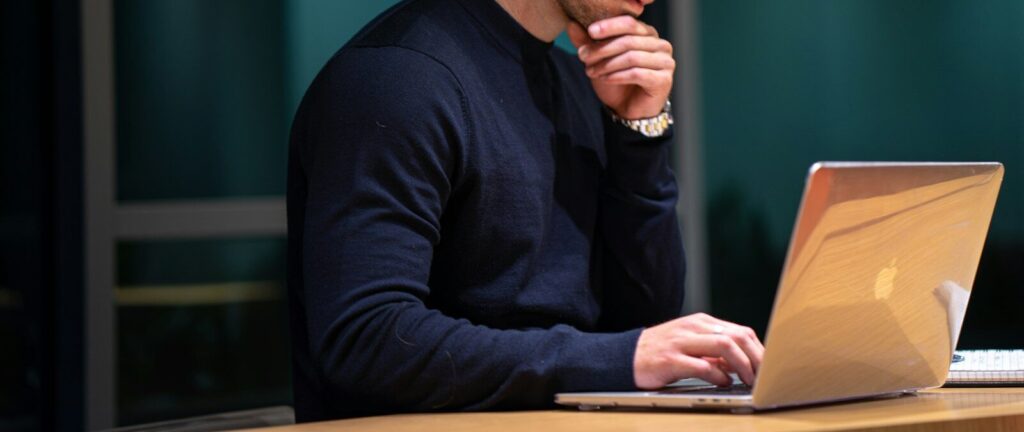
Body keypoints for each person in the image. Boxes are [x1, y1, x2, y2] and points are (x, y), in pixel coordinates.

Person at [286, 0, 764, 422]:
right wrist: (616, 359)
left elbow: (643, 317)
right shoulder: (396, 76)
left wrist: (637, 129)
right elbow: (366, 338)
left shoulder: (580, 83)